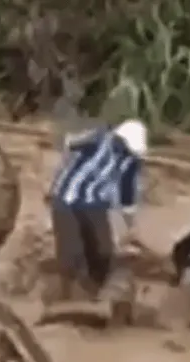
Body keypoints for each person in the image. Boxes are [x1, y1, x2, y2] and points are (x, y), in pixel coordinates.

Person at [48, 119, 148, 301]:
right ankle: (70, 296)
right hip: (66, 199)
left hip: (96, 203)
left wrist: (130, 224)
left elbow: (127, 193)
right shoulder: (98, 139)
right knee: (71, 251)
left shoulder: (132, 161)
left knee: (103, 250)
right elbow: (68, 142)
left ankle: (95, 290)